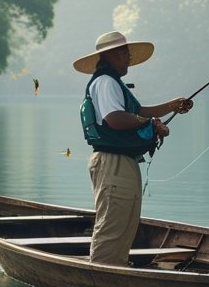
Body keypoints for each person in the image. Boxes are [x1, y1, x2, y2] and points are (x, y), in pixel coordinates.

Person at [74, 31, 192, 265]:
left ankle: (116, 268)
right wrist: (151, 125)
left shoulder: (112, 83)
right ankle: (103, 274)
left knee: (126, 221)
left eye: (127, 53)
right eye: (122, 53)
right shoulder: (106, 82)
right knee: (113, 224)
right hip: (113, 163)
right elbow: (114, 119)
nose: (127, 57)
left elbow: (138, 113)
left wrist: (170, 107)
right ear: (108, 55)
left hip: (121, 163)